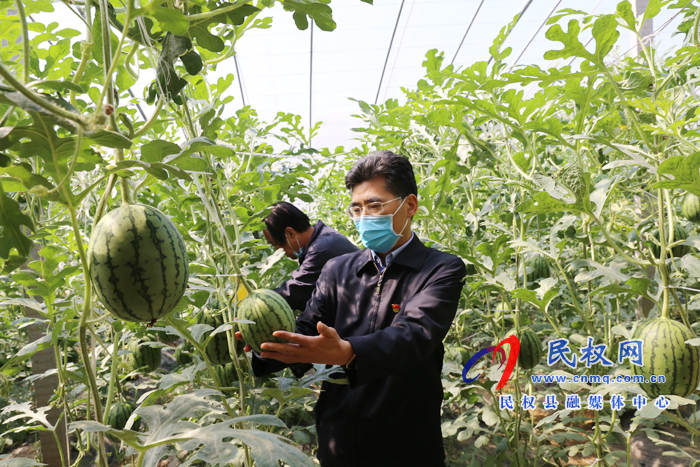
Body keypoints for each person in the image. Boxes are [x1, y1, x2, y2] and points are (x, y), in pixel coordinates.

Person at [238, 151, 467, 467]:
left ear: (410, 205)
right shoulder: (337, 270)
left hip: (406, 442)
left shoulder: (440, 269)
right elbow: (306, 329)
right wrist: (268, 344)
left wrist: (347, 352)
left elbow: (415, 335)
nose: (364, 217)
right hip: (340, 437)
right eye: (357, 209)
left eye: (374, 206)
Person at [262, 202, 358, 312]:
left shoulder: (321, 249)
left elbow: (295, 293)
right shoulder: (322, 238)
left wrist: (257, 303)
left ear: (290, 233)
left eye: (276, 244)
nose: (276, 250)